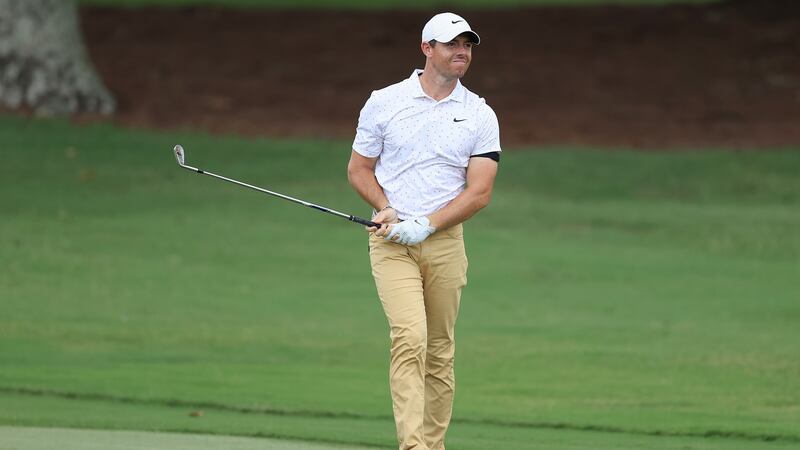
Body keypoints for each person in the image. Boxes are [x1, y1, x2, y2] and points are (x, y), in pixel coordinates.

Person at [347, 11, 501, 450]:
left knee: (440, 351)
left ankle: (433, 445)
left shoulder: (479, 114)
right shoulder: (385, 101)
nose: (461, 53)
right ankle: (412, 446)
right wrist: (386, 208)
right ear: (426, 48)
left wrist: (428, 225)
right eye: (452, 44)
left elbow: (480, 193)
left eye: (467, 45)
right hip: (390, 240)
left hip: (445, 243)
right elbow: (359, 170)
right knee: (409, 339)